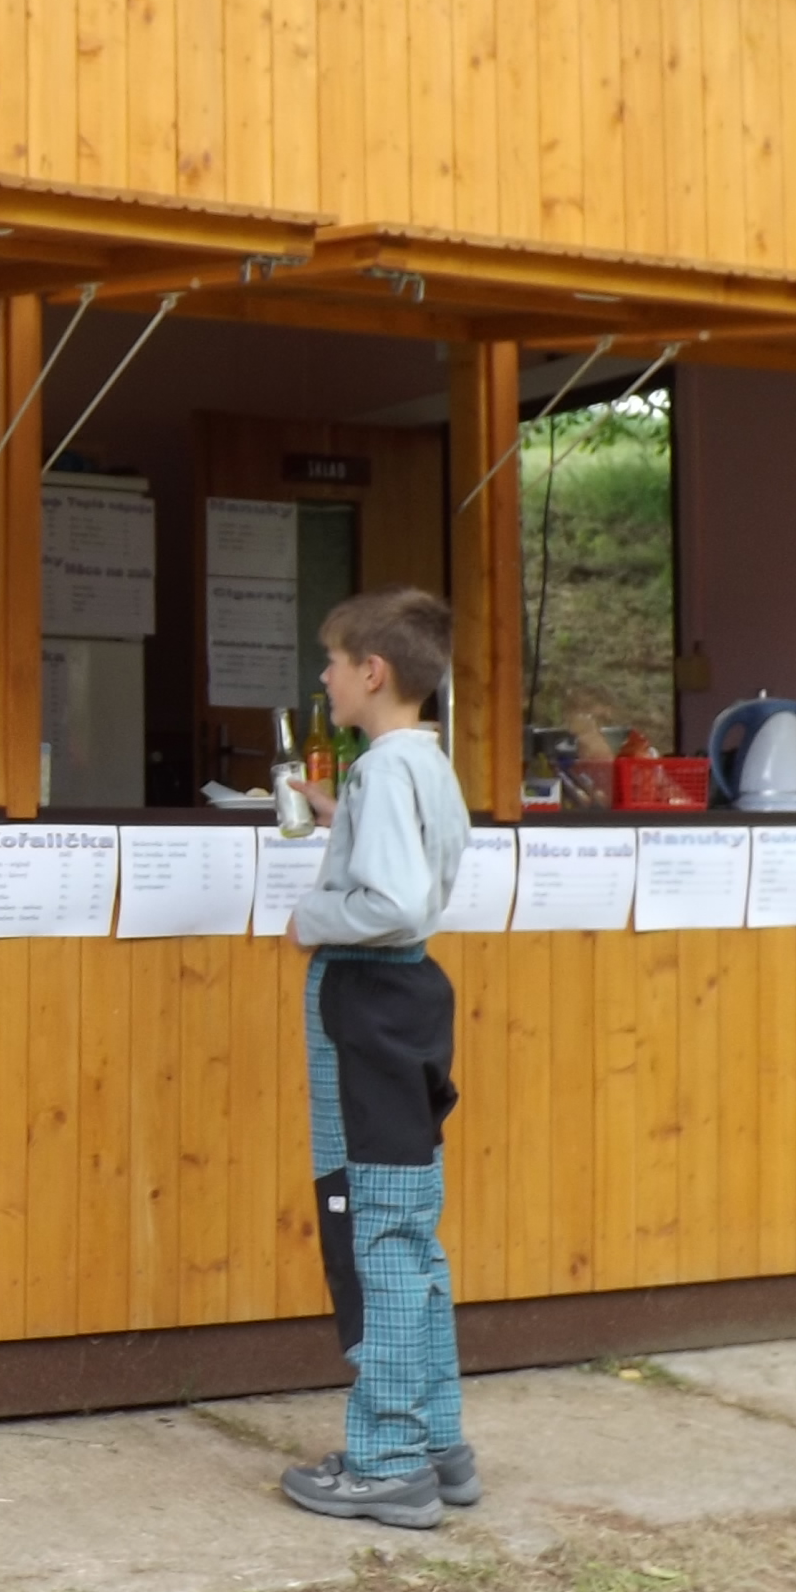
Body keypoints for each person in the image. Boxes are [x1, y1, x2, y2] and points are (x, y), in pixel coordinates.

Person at [280, 585, 473, 1531]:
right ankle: (438, 1442)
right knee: (409, 1229)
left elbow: (390, 903)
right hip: (409, 1004)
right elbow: (414, 873)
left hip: (368, 1004)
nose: (323, 677)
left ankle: (387, 1462)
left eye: (332, 662)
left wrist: (309, 916)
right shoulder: (422, 763)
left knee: (376, 1234)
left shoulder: (381, 774)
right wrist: (336, 817)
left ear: (373, 672)